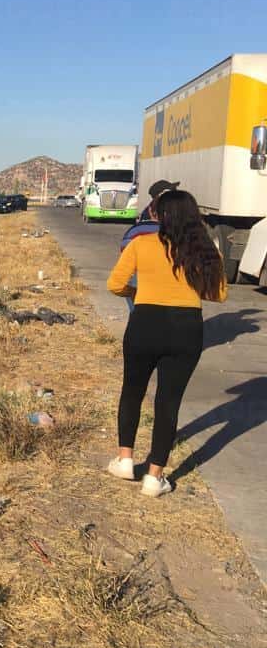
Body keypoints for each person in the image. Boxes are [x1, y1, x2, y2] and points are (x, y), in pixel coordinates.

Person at [106, 190, 227, 497]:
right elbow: (219, 294)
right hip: (186, 329)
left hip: (144, 323)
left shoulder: (140, 244)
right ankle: (154, 477)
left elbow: (115, 284)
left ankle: (124, 461)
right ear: (193, 215)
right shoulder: (205, 249)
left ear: (158, 216)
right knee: (168, 401)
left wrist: (137, 295)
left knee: (132, 391)